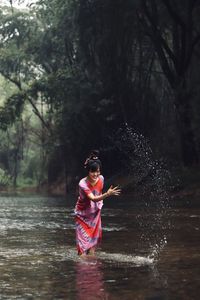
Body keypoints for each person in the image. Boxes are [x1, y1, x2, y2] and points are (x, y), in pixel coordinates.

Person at [74, 150, 121, 256]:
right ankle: (82, 266)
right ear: (88, 171)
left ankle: (91, 268)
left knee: (92, 243)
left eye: (98, 171)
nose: (96, 174)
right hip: (82, 215)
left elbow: (98, 195)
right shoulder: (83, 183)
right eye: (93, 171)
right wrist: (108, 194)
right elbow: (94, 198)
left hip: (95, 213)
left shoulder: (101, 179)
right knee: (82, 246)